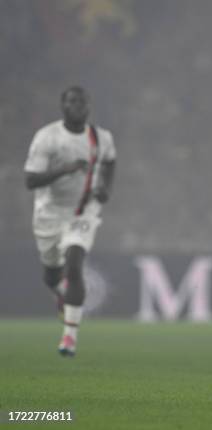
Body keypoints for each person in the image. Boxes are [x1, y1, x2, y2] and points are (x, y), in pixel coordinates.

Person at [24, 86, 116, 357]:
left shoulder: (102, 138)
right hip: (49, 214)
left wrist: (104, 189)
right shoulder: (47, 138)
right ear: (63, 105)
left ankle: (69, 337)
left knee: (74, 263)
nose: (78, 105)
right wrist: (64, 169)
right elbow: (31, 180)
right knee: (52, 274)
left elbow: (110, 162)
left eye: (82, 101)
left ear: (88, 106)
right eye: (72, 101)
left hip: (83, 211)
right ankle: (58, 291)